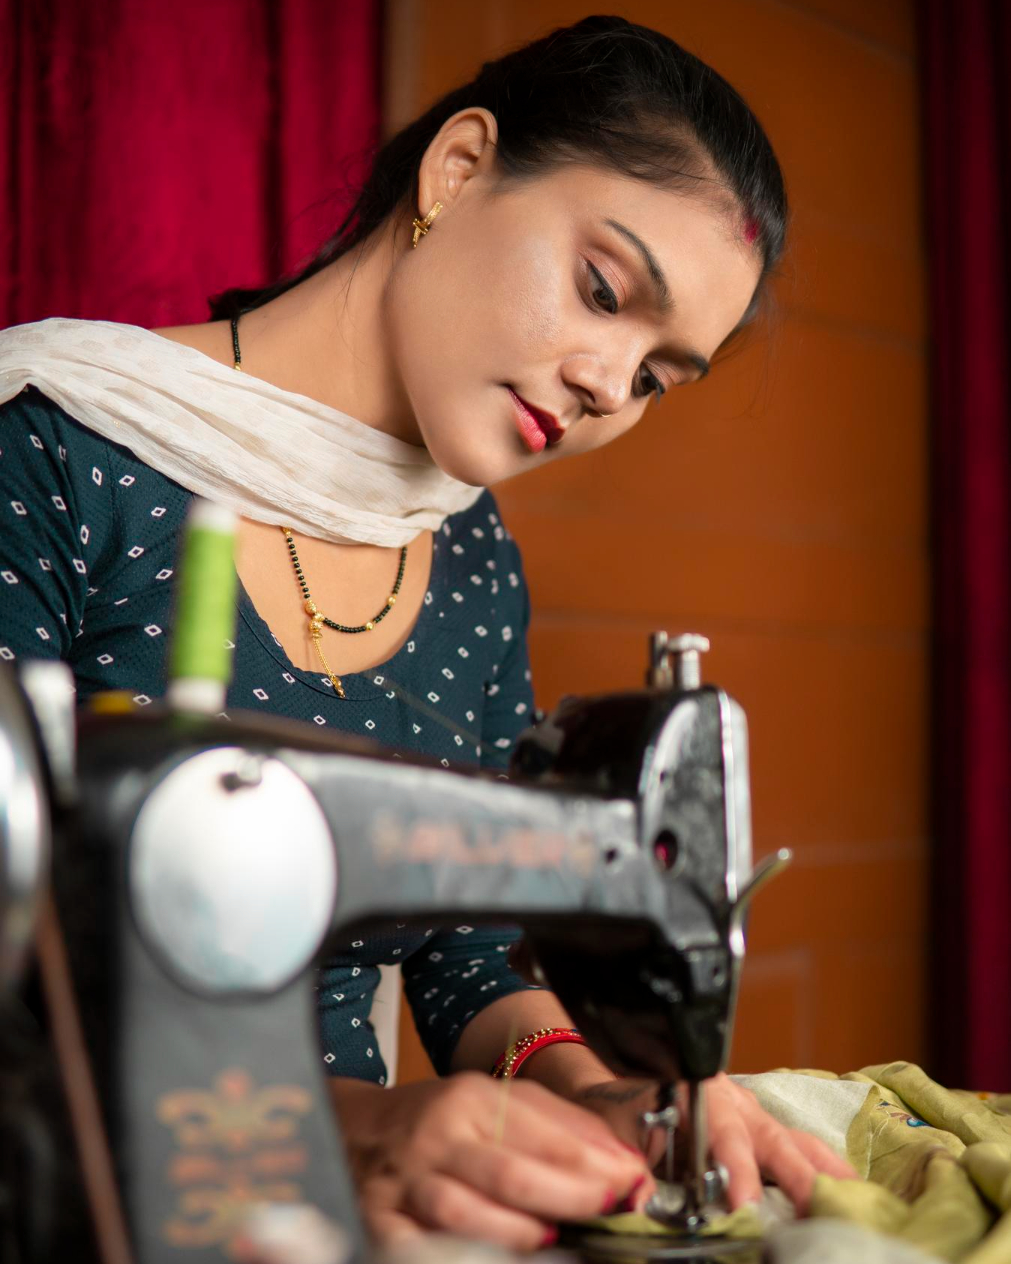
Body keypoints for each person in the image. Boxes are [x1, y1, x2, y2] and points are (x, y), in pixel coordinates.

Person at [0, 14, 855, 1253]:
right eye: (603, 290)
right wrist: (354, 1127)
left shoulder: (472, 559)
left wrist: (595, 1092)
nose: (609, 386)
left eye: (657, 377)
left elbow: (467, 948)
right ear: (456, 171)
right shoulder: (52, 455)